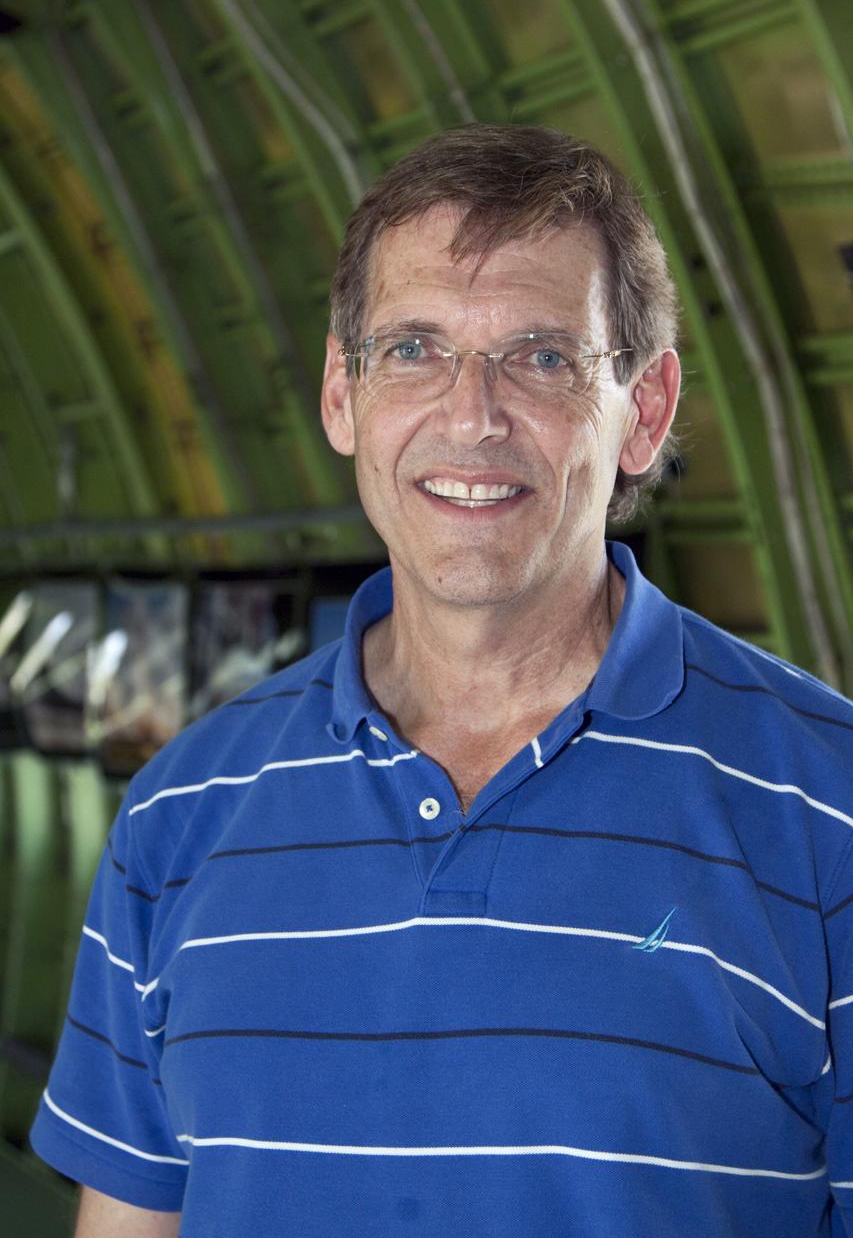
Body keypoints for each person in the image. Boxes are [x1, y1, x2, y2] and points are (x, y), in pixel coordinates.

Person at [30, 125, 853, 1237]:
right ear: (341, 395)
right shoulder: (181, 810)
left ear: (643, 414)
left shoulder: (825, 802)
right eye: (414, 348)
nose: (471, 415)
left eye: (542, 356)